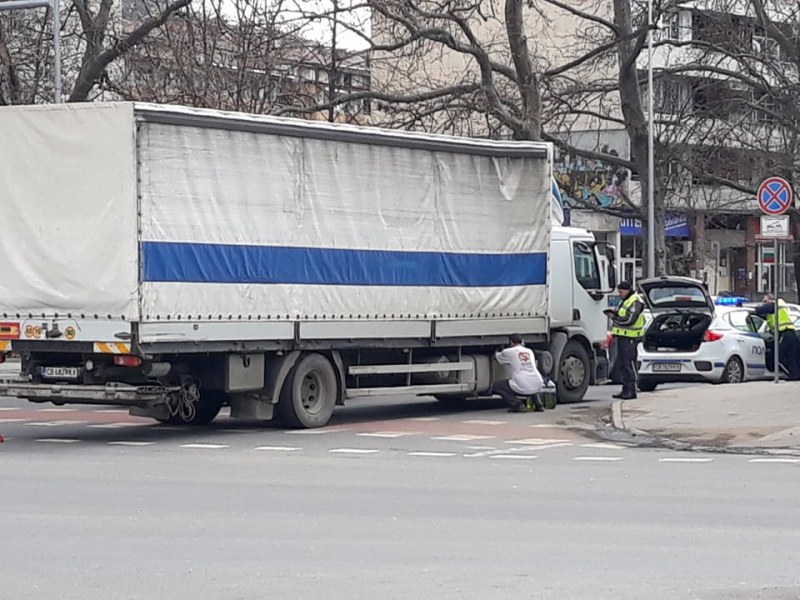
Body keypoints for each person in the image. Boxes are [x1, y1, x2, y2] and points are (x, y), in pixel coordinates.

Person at [605, 281, 646, 400]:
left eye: (621, 291)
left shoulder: (635, 300)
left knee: (629, 364)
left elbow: (630, 320)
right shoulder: (626, 300)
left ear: (627, 290)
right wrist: (615, 314)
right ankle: (625, 389)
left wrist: (615, 318)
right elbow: (623, 315)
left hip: (631, 337)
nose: (619, 294)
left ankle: (632, 390)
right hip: (622, 337)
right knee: (622, 364)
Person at [493, 334, 544, 413]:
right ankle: (538, 404)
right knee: (530, 380)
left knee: (497, 386)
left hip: (522, 385)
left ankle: (518, 404)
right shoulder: (529, 351)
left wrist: (498, 349)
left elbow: (496, 357)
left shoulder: (508, 351)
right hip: (538, 383)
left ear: (511, 342)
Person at [755, 294, 800, 380]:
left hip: (785, 333)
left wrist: (755, 309)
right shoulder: (774, 309)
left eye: (765, 301)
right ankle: (796, 375)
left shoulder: (777, 303)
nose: (764, 303)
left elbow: (760, 310)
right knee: (791, 356)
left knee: (779, 356)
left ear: (771, 300)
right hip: (790, 334)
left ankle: (793, 375)